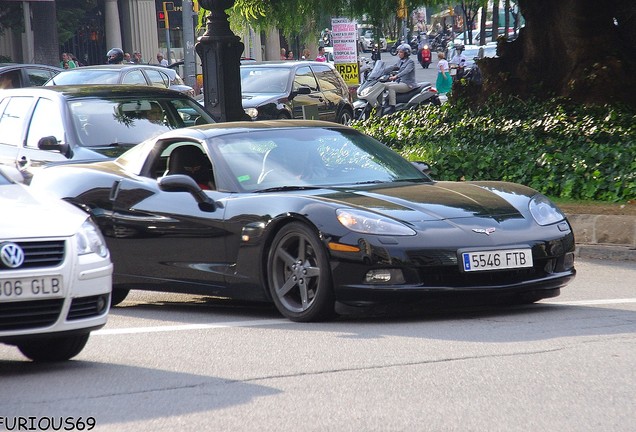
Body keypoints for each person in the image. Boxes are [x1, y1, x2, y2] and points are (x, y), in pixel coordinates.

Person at [382, 43, 417, 115]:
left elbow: (406, 71)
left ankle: (392, 107)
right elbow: (393, 67)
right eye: (398, 52)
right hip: (400, 82)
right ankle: (382, 103)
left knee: (391, 87)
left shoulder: (410, 62)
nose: (399, 54)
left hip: (408, 84)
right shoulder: (400, 61)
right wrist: (382, 71)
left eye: (401, 52)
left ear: (406, 53)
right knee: (382, 85)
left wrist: (396, 76)